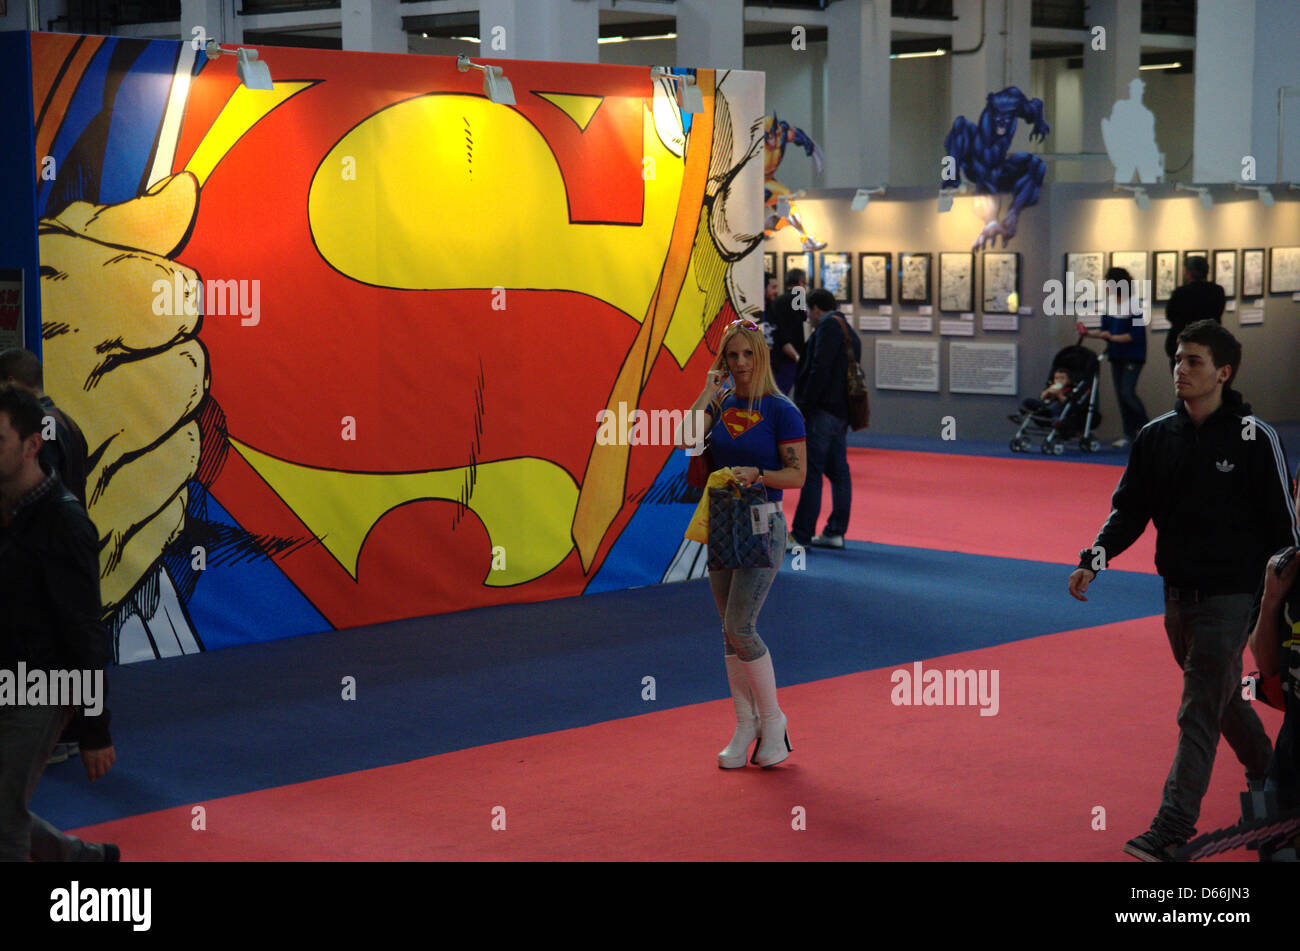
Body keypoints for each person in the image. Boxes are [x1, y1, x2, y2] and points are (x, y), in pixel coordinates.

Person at [1067, 321, 1300, 861]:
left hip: (1236, 595)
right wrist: (1092, 561)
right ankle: (1273, 786)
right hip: (1178, 594)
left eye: (1193, 361)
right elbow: (1129, 510)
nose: (1180, 369)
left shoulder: (1254, 437)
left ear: (1223, 372)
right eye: (1177, 359)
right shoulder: (1155, 437)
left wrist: (1282, 603)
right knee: (1218, 703)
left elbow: (1284, 530)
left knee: (1198, 703)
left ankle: (1173, 824)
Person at [681, 319, 806, 769]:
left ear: (761, 356)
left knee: (741, 625)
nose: (740, 363)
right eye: (732, 355)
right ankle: (744, 723)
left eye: (747, 354)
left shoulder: (782, 410)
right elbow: (685, 438)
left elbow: (798, 475)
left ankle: (773, 722)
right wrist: (706, 390)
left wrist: (759, 475)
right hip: (722, 520)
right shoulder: (722, 400)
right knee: (727, 631)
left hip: (763, 521)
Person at [0, 383, 118, 861]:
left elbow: (83, 630)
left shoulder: (64, 525)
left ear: (31, 446)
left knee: (3, 825)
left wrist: (94, 730)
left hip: (42, 690)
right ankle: (78, 859)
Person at [0, 348, 92, 765]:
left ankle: (59, 731)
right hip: (65, 543)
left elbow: (42, 483)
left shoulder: (42, 432)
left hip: (52, 545)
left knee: (57, 635)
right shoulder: (68, 422)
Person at [791, 288, 860, 550]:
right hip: (840, 413)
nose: (808, 316)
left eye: (809, 311)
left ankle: (801, 535)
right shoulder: (846, 329)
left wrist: (804, 407)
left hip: (823, 412)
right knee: (838, 472)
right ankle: (834, 531)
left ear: (817, 308)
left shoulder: (828, 329)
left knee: (812, 473)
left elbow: (818, 370)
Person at [1246, 540, 1300, 859]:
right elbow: (1266, 667)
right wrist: (1270, 600)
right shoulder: (1284, 568)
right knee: (1270, 847)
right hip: (1291, 747)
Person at [0, 348, 89, 507]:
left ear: (11, 382)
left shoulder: (39, 424)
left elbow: (42, 479)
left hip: (51, 522)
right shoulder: (68, 422)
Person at [1077, 266, 1149, 448]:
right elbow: (1105, 331)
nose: (1106, 285)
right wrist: (1088, 334)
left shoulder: (1134, 304)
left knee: (1127, 393)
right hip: (1116, 355)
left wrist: (1113, 338)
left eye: (1108, 281)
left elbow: (1137, 334)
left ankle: (1147, 429)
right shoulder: (1108, 304)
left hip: (1133, 355)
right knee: (1121, 396)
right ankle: (1128, 434)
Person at [1164, 256, 1225, 373]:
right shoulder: (1217, 291)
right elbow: (1218, 312)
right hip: (1209, 343)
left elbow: (1170, 315)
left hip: (1184, 344)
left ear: (1189, 272)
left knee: (1183, 383)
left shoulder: (1181, 292)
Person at [768, 269, 807, 395]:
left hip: (778, 355)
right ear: (801, 282)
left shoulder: (777, 301)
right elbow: (804, 320)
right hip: (793, 355)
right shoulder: (799, 297)